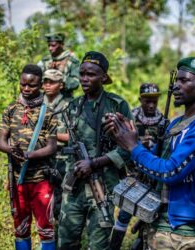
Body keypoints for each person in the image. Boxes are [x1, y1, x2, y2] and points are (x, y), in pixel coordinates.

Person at [105, 57, 195, 249]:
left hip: (180, 229)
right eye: (177, 80)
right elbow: (155, 166)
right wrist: (127, 136)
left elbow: (170, 171)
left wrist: (134, 147)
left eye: (184, 81)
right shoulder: (175, 124)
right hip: (157, 219)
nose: (176, 86)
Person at [57, 51, 132, 250]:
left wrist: (95, 163)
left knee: (98, 245)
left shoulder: (117, 105)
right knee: (66, 242)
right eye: (82, 74)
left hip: (103, 188)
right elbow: (62, 140)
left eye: (91, 74)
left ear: (104, 77)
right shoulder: (72, 107)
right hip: (74, 188)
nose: (84, 79)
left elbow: (129, 148)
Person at [0, 64, 58, 250]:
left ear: (40, 85)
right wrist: (10, 150)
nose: (26, 88)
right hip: (18, 180)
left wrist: (29, 155)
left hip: (41, 180)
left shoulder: (48, 112)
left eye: (31, 85)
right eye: (23, 84)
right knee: (20, 227)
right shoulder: (10, 110)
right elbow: (0, 140)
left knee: (46, 228)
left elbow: (52, 147)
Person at [112, 83, 165, 249]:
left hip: (152, 174)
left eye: (154, 101)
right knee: (125, 213)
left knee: (149, 214)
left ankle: (142, 243)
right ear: (140, 99)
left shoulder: (162, 120)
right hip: (133, 173)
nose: (151, 104)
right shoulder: (131, 118)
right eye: (147, 100)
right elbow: (120, 142)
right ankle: (114, 246)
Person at [42, 69, 70, 232]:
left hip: (61, 160)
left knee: (60, 200)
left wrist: (50, 134)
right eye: (45, 81)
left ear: (61, 85)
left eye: (51, 82)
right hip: (39, 159)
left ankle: (59, 234)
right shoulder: (37, 103)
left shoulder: (68, 106)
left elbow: (73, 136)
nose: (47, 85)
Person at [38, 32, 80, 98]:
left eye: (53, 45)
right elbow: (36, 80)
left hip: (65, 99)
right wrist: (48, 73)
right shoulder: (45, 61)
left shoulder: (72, 60)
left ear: (61, 45)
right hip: (46, 99)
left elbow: (75, 83)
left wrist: (59, 76)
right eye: (49, 45)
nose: (50, 48)